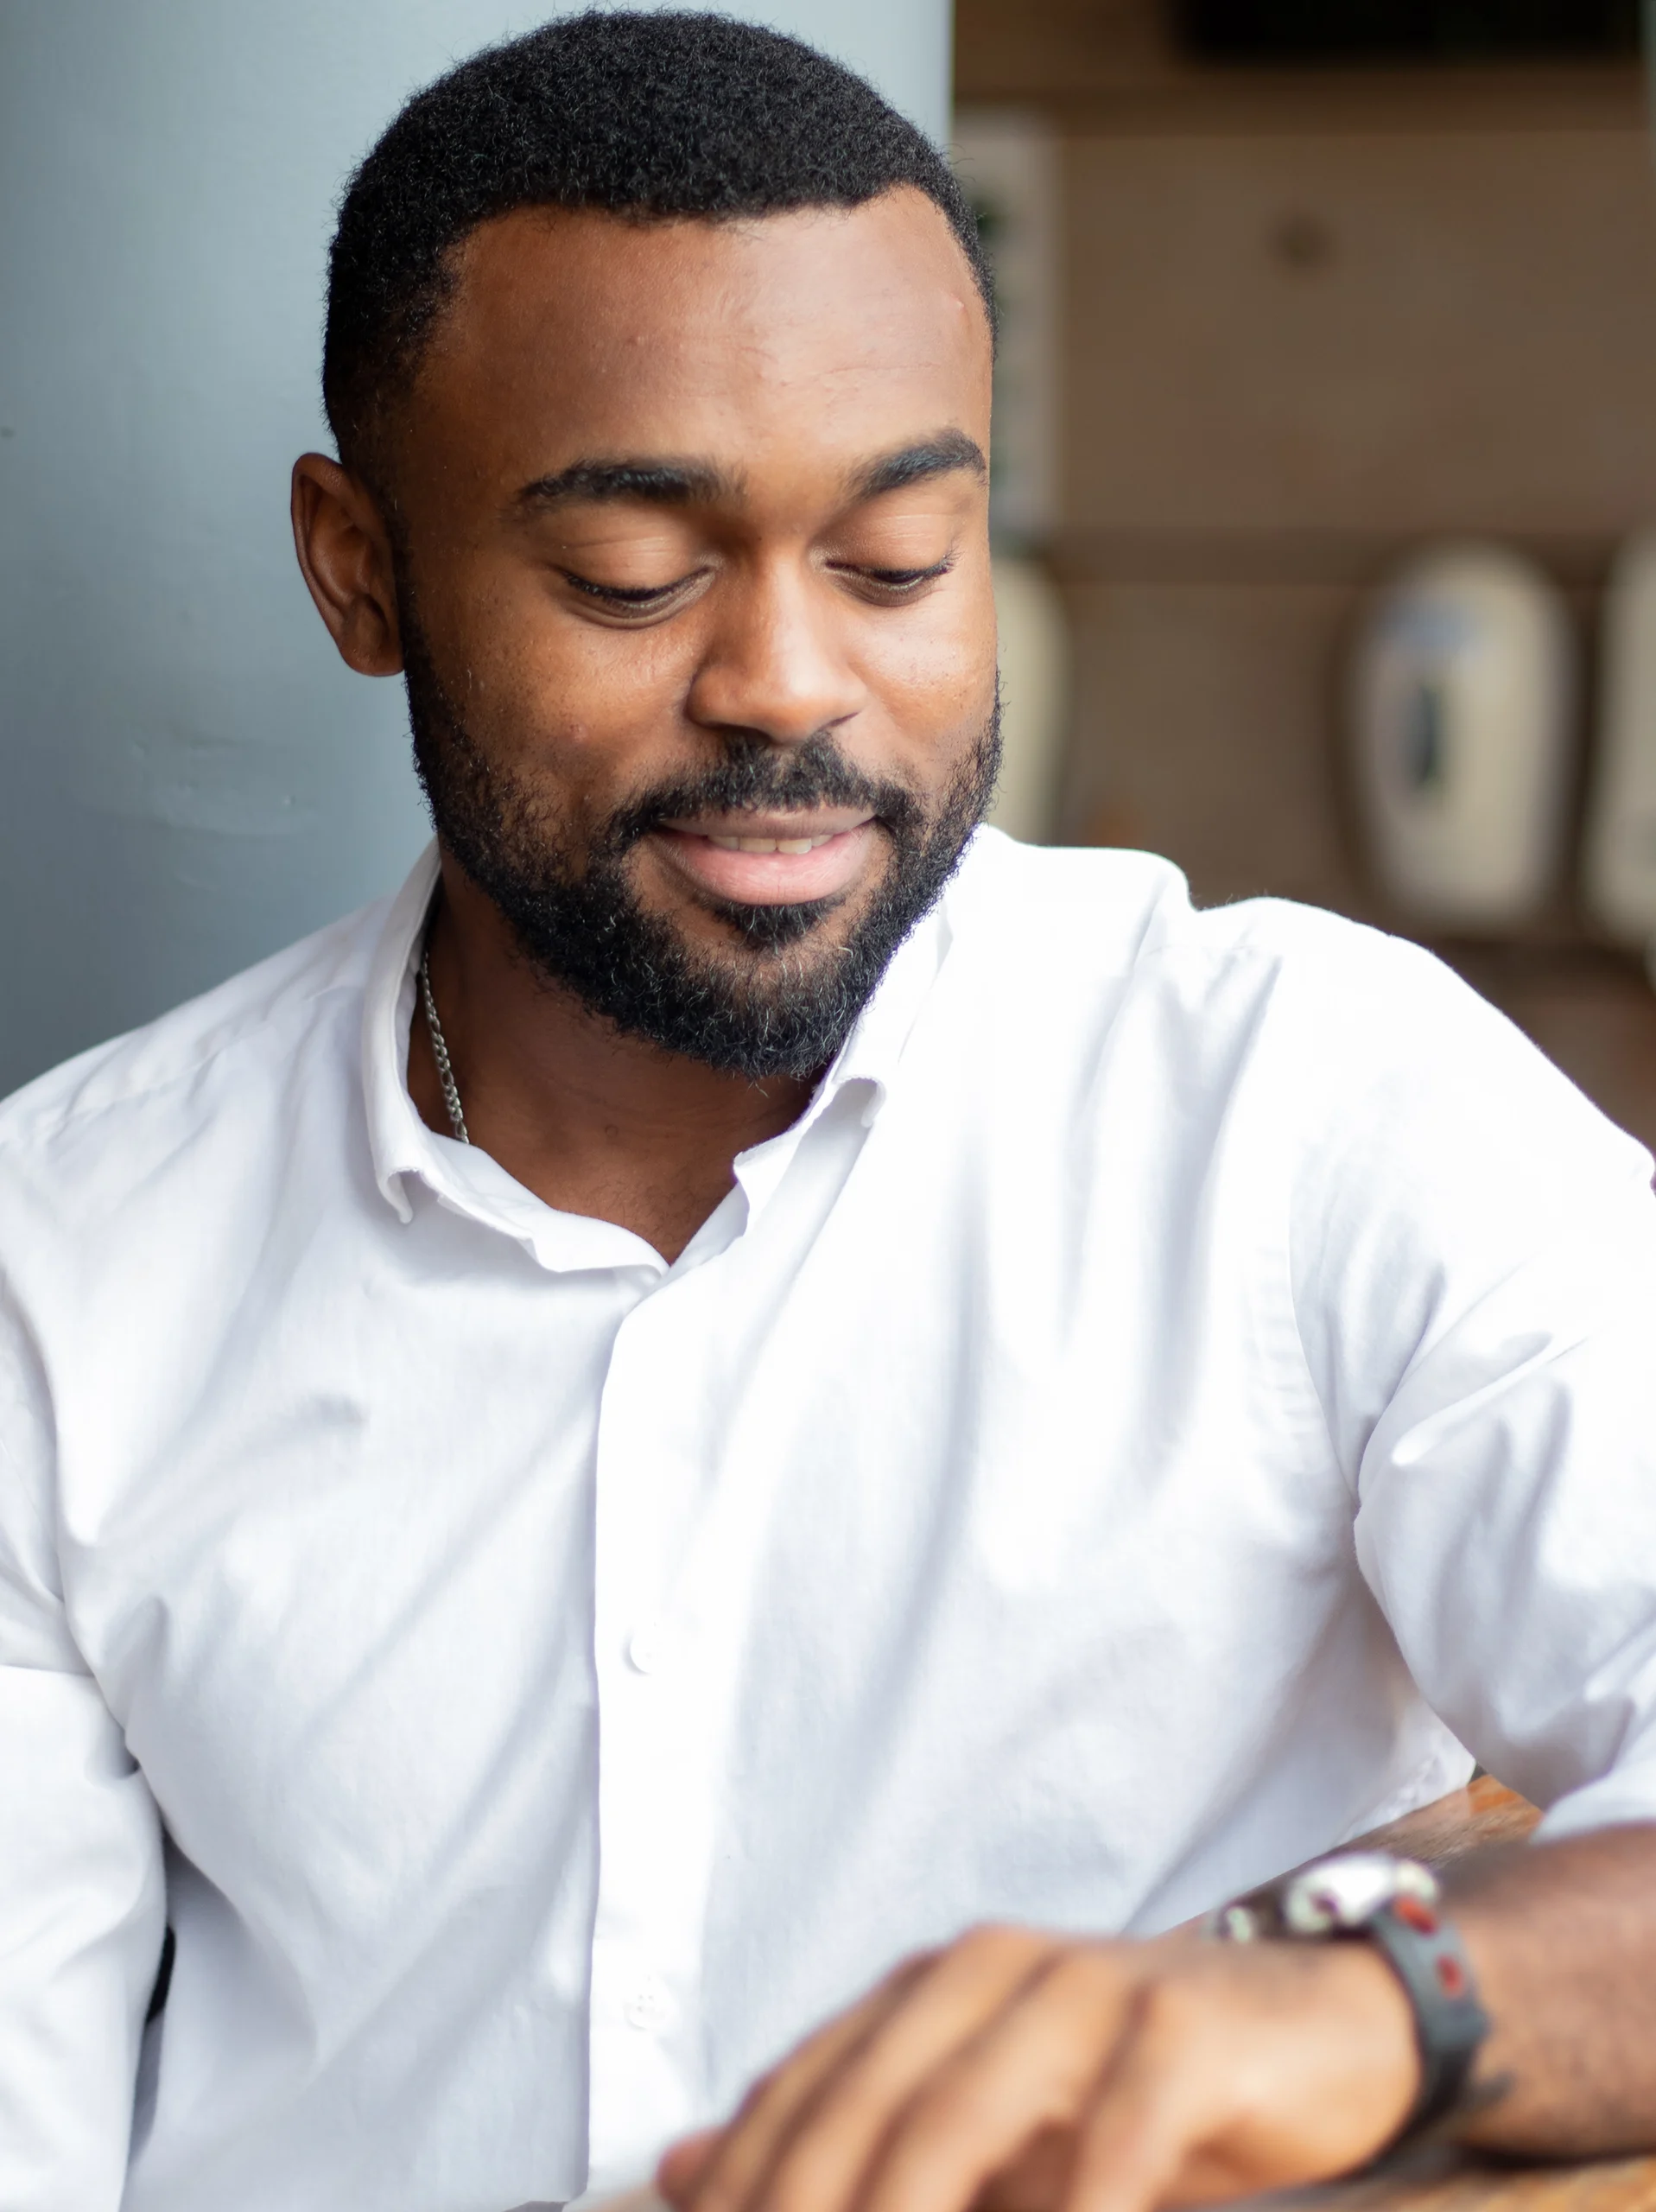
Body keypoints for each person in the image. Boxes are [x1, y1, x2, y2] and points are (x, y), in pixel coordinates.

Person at [3, 13, 1656, 2211]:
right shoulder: (64, 1261)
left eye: (895, 563)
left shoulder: (1308, 1108)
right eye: (632, 576)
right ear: (360, 569)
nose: (790, 684)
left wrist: (1344, 1995)